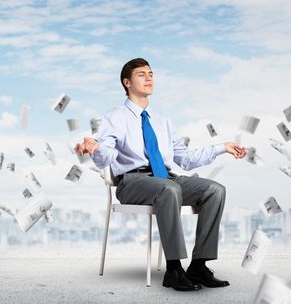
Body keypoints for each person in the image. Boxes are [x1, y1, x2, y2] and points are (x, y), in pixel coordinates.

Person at [76, 58, 247, 292]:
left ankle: (198, 265)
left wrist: (221, 147)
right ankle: (174, 269)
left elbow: (185, 159)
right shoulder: (114, 117)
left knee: (214, 190)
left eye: (151, 73)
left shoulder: (162, 121)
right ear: (127, 82)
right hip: (133, 182)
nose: (149, 78)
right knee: (170, 189)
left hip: (166, 179)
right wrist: (95, 149)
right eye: (141, 74)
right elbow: (107, 154)